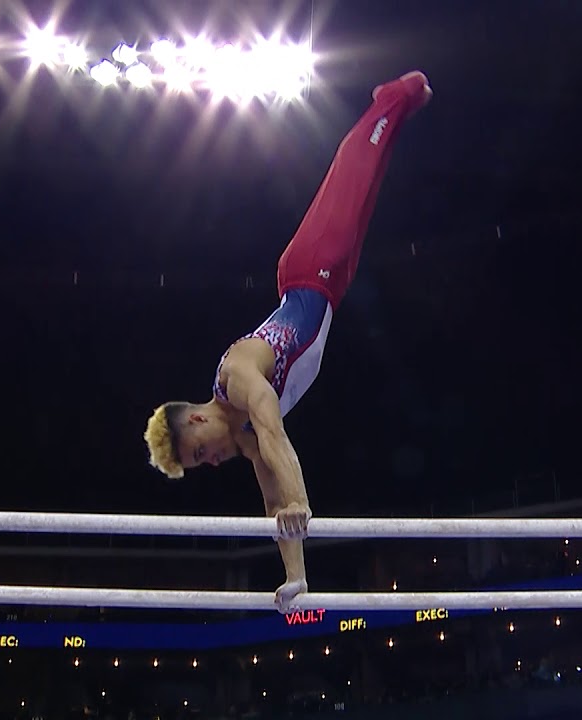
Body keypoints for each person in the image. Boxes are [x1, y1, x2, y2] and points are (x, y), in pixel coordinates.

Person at [143, 70, 433, 613]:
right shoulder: (244, 436)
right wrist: (296, 576)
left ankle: (392, 96)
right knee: (368, 188)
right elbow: (273, 499)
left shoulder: (238, 378)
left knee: (352, 170)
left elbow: (278, 442)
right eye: (202, 463)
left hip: (307, 272)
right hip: (330, 290)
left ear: (200, 421)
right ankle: (396, 115)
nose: (212, 463)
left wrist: (302, 501)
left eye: (201, 454)